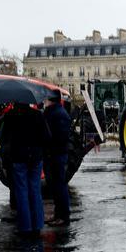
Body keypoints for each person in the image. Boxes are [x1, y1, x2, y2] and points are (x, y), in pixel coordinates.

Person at [0, 103, 51, 236]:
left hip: (18, 158)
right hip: (35, 157)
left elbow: (3, 138)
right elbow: (47, 137)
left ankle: (25, 227)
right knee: (35, 190)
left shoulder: (10, 116)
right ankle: (38, 225)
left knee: (21, 191)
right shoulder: (38, 115)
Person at [42, 93, 72, 225]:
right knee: (57, 186)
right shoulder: (60, 112)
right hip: (57, 153)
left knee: (59, 186)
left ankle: (62, 217)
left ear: (49, 100)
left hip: (55, 154)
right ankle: (58, 215)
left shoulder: (54, 113)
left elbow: (53, 136)